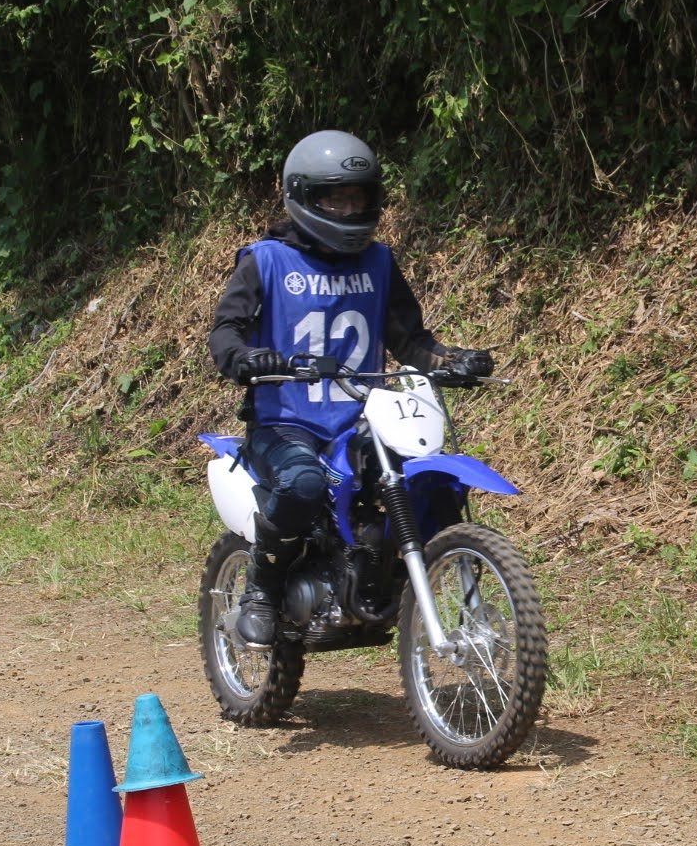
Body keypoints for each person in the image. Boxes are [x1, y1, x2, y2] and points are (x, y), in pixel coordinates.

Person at [209, 130, 495, 646]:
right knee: (302, 486)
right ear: (303, 197)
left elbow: (410, 339)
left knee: (418, 478)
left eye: (357, 197)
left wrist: (450, 361)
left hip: (364, 418)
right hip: (283, 423)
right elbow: (226, 333)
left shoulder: (380, 262)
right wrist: (252, 359)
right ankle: (262, 590)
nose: (347, 209)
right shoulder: (265, 260)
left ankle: (387, 577)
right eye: (334, 198)